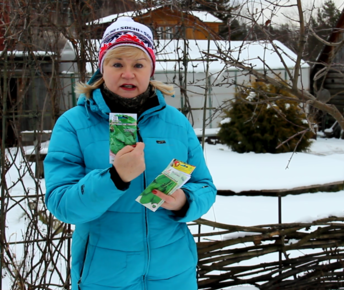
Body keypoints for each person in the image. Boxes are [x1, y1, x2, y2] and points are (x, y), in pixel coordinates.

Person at [44, 17, 216, 290]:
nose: (128, 74)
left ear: (150, 69)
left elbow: (205, 187)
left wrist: (185, 200)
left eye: (138, 64)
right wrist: (114, 178)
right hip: (105, 276)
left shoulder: (176, 122)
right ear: (102, 69)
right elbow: (62, 204)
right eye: (117, 64)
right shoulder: (73, 124)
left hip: (174, 274)